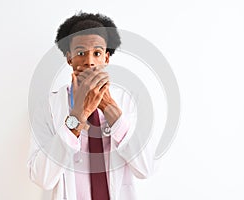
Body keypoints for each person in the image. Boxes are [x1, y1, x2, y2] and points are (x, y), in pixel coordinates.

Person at [27, 12, 158, 200]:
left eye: (97, 53)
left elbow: (146, 169)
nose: (89, 61)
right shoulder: (48, 106)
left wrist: (110, 108)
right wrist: (78, 115)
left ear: (106, 58)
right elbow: (42, 178)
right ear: (69, 58)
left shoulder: (129, 102)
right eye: (81, 53)